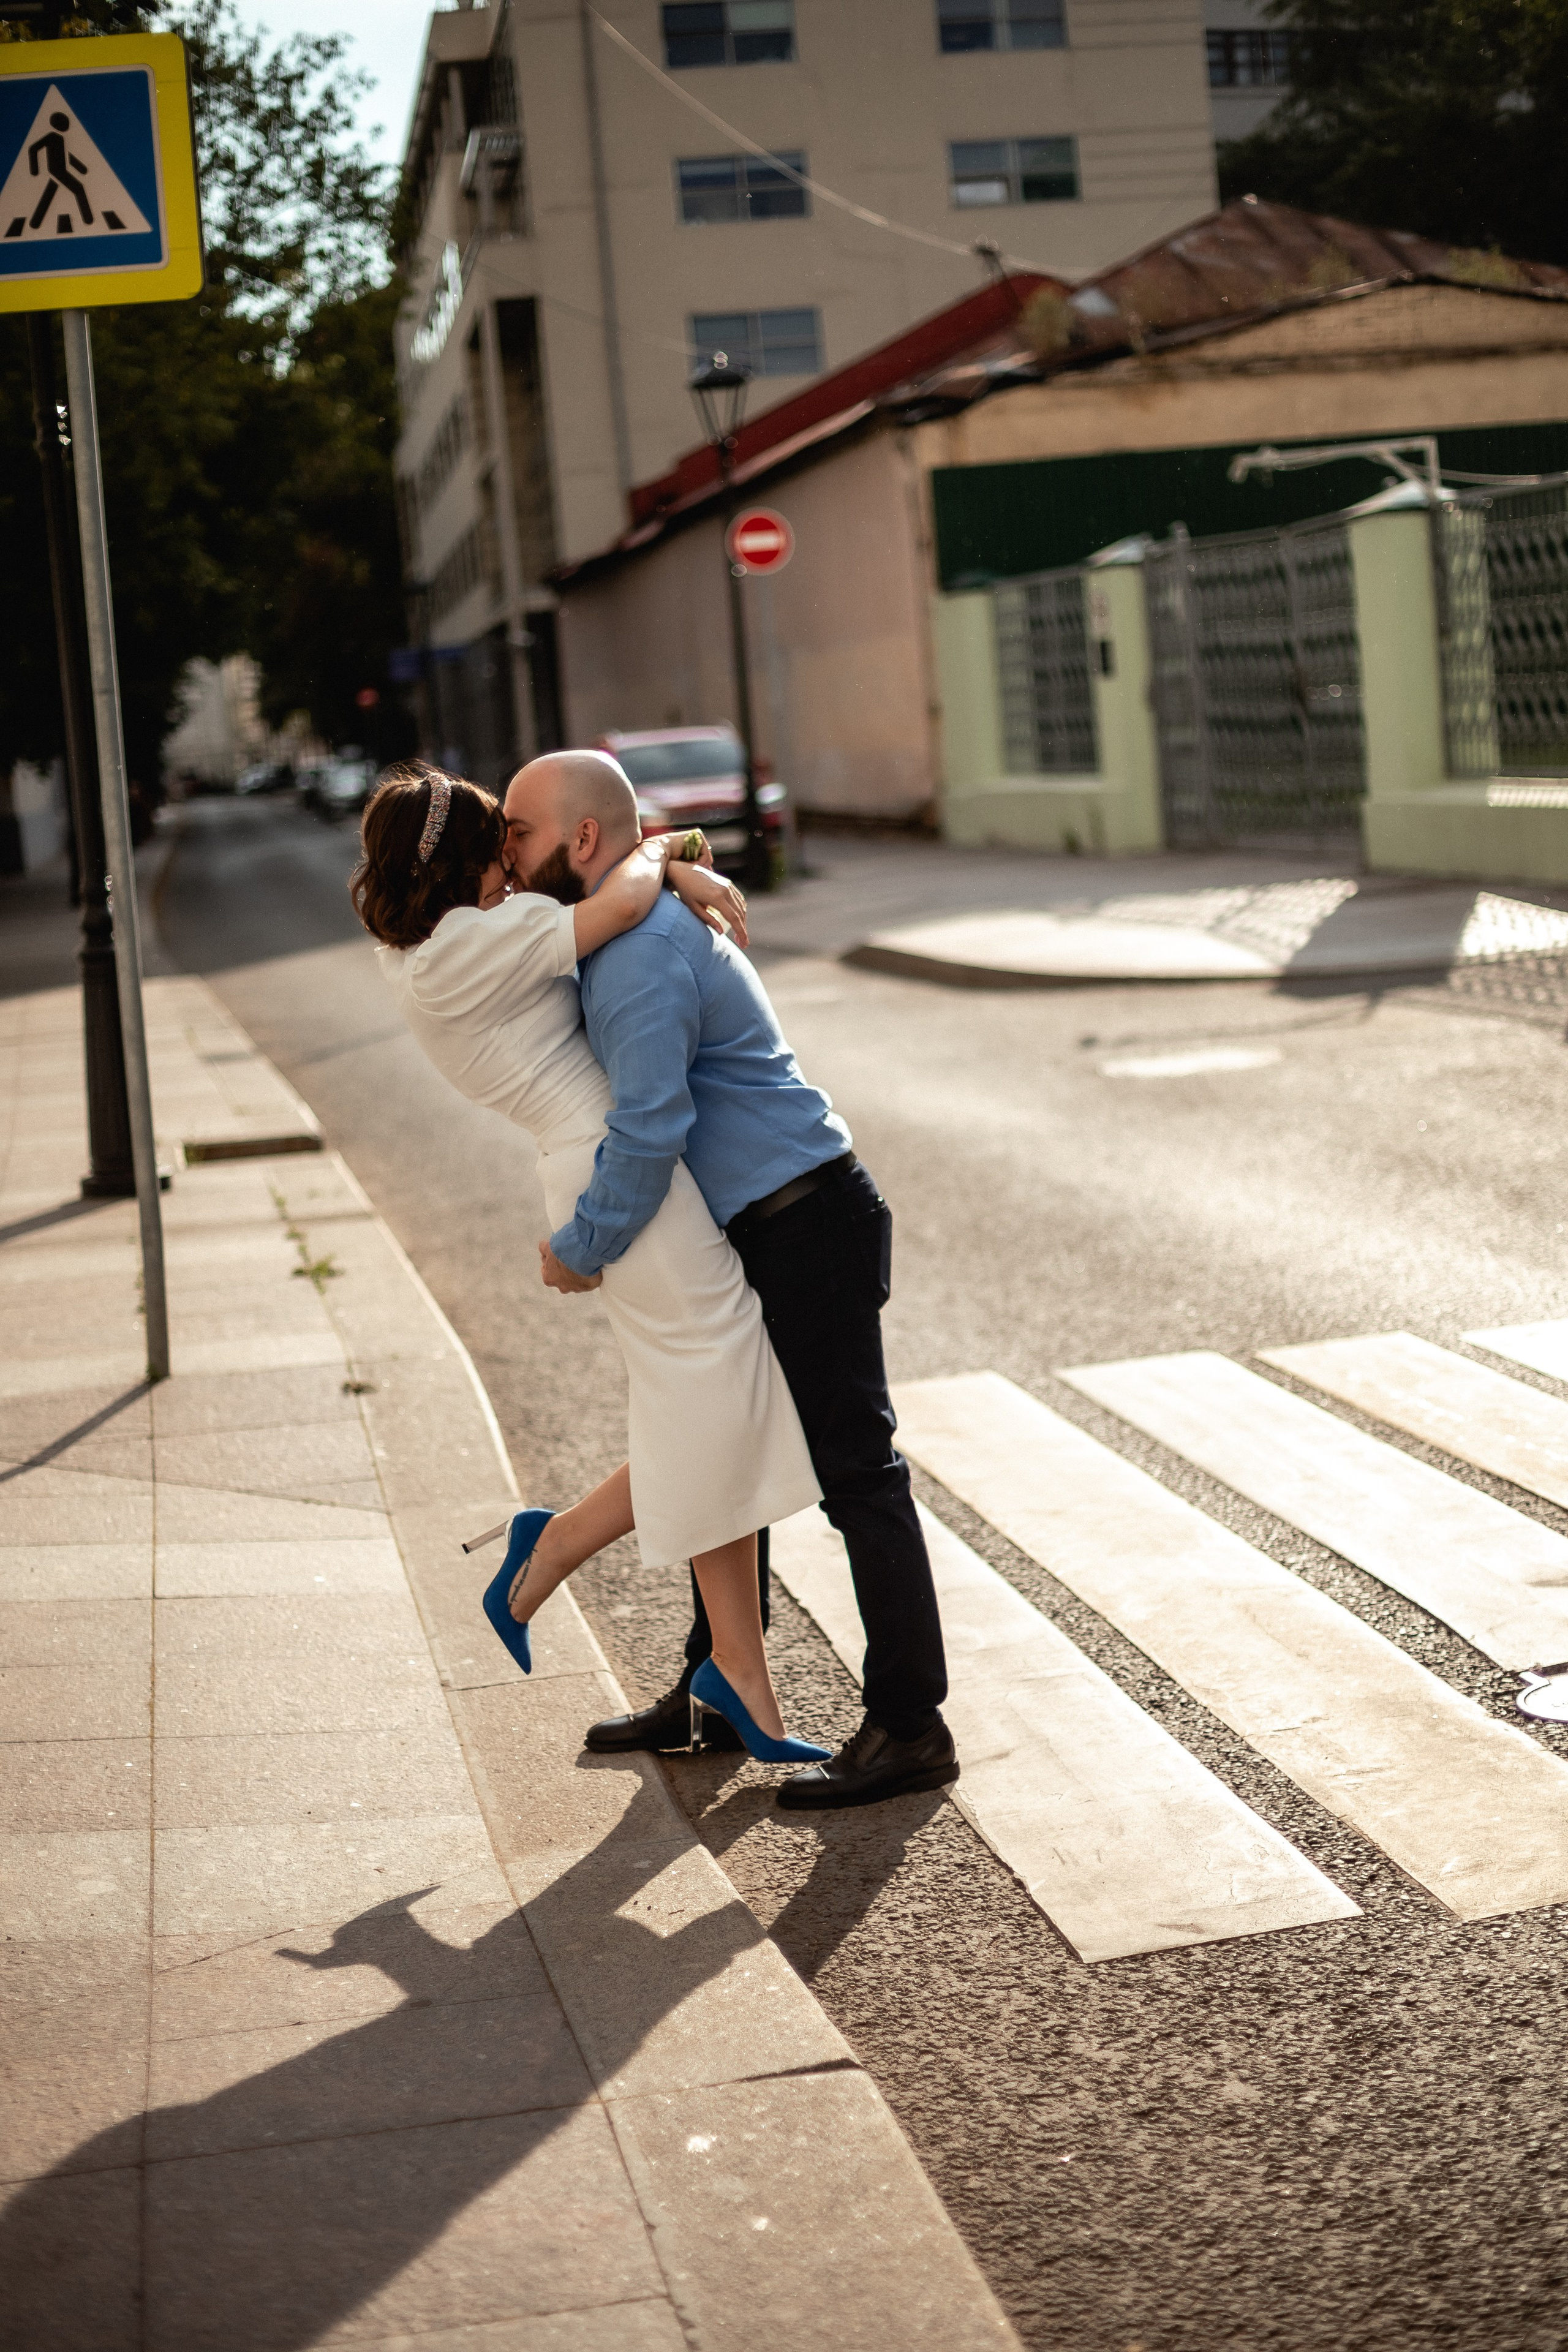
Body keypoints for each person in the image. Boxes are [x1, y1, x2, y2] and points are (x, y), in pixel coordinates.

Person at [505, 750, 956, 1812]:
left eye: (518, 834)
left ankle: (909, 1725)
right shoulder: (637, 918)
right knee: (722, 1446)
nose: (506, 857)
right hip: (774, 1223)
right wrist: (672, 858)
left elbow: (650, 1127)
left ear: (579, 843)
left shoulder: (636, 961)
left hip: (805, 1223)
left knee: (857, 1474)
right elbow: (642, 860)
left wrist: (584, 1245)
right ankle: (716, 1698)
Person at [352, 761, 826, 1766]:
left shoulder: (430, 948)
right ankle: (592, 1568)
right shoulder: (472, 944)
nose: (513, 868)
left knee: (701, 1395)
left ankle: (730, 1666)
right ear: (457, 868)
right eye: (498, 849)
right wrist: (673, 859)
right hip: (607, 1166)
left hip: (593, 1158)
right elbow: (618, 898)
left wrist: (672, 864)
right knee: (719, 1386)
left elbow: (611, 893)